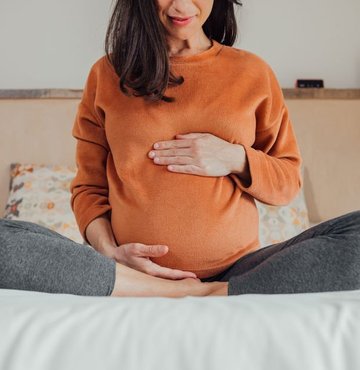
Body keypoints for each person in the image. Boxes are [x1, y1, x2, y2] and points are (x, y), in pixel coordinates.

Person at [1, 0, 360, 297]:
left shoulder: (252, 73)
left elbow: (286, 182)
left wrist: (234, 158)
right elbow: (88, 189)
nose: (182, 5)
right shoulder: (107, 74)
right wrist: (109, 252)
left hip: (241, 270)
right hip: (126, 273)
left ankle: (216, 290)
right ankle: (154, 289)